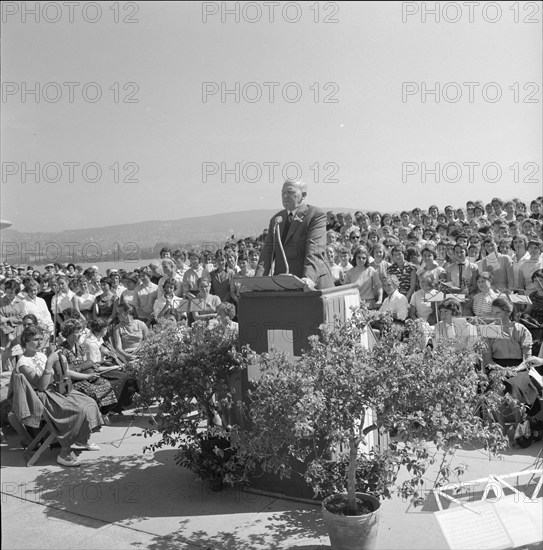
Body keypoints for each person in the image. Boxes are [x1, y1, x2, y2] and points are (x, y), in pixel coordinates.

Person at [13, 325, 103, 466]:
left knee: (90, 403)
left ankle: (82, 438)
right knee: (76, 412)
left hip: (56, 389)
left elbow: (60, 374)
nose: (39, 342)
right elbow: (41, 386)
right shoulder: (23, 363)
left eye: (40, 339)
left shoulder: (41, 355)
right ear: (26, 340)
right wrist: (49, 362)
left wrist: (59, 361)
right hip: (41, 397)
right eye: (36, 339)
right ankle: (64, 453)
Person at [255, 180, 333, 290]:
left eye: (290, 192)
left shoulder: (315, 215)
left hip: (312, 285)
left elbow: (315, 249)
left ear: (304, 195)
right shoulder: (276, 219)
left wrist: (309, 278)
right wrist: (257, 282)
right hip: (284, 285)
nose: (285, 196)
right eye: (283, 193)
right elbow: (267, 253)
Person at [59, 319, 118, 413]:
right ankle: (93, 415)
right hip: (73, 381)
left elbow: (88, 363)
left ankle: (103, 413)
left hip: (86, 375)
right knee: (92, 390)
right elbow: (66, 371)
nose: (79, 335)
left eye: (80, 332)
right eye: (76, 332)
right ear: (68, 333)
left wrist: (93, 370)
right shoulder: (62, 350)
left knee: (106, 384)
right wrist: (86, 375)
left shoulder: (80, 347)